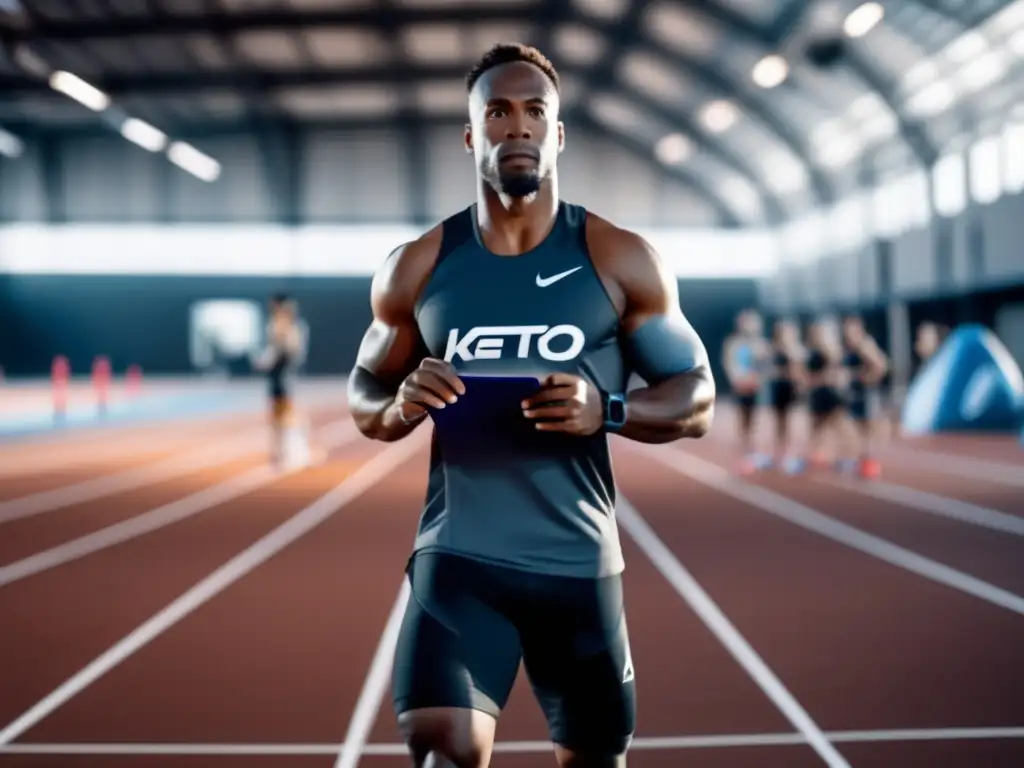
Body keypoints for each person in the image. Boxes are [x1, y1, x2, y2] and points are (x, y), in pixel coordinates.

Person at [347, 43, 716, 768]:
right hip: (459, 563)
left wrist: (606, 410)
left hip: (578, 569)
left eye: (535, 111)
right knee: (441, 751)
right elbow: (365, 395)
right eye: (497, 111)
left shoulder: (618, 257)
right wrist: (402, 407)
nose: (517, 126)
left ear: (559, 133)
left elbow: (696, 395)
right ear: (470, 135)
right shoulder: (418, 266)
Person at [251, 293, 319, 471]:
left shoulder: (290, 328)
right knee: (278, 416)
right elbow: (274, 352)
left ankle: (293, 452)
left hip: (286, 376)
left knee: (287, 415)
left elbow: (290, 351)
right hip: (278, 377)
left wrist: (267, 359)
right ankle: (282, 452)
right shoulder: (277, 326)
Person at [721, 309, 771, 473]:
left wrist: (759, 379)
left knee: (759, 421)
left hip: (757, 387)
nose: (751, 325)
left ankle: (756, 454)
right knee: (743, 420)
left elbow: (766, 366)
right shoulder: (733, 343)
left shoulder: (762, 344)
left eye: (754, 322)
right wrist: (737, 380)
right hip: (741, 387)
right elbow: (729, 363)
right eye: (747, 322)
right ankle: (744, 453)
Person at [804, 317, 855, 471]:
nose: (818, 335)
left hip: (832, 394)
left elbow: (838, 370)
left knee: (841, 425)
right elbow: (807, 374)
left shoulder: (833, 349)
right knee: (817, 427)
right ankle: (820, 455)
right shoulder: (812, 351)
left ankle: (849, 458)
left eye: (821, 332)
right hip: (817, 394)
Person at [841, 315, 889, 479]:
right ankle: (863, 459)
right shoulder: (850, 347)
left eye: (851, 330)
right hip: (856, 392)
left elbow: (881, 365)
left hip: (867, 392)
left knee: (868, 427)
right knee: (858, 427)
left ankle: (869, 462)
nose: (847, 334)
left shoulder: (865, 345)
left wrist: (865, 378)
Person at [767, 318, 806, 474]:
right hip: (778, 389)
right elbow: (769, 369)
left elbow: (799, 373)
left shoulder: (796, 350)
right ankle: (780, 455)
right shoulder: (773, 350)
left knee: (792, 424)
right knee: (779, 424)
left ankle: (791, 456)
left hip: (792, 390)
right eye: (782, 332)